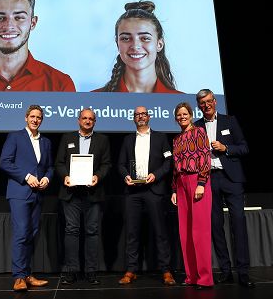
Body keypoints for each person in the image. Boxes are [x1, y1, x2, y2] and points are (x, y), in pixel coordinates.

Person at [194, 89, 255, 288]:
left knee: (238, 224)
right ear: (199, 106)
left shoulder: (230, 121)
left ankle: (243, 272)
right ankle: (225, 271)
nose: (207, 105)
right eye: (202, 103)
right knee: (215, 227)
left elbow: (244, 147)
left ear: (215, 102)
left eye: (209, 101)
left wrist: (226, 148)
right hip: (209, 180)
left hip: (232, 180)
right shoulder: (196, 127)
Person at [117, 106, 176, 285]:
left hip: (154, 190)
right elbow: (120, 164)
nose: (141, 117)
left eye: (143, 114)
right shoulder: (127, 140)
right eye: (137, 114)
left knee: (160, 231)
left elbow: (168, 161)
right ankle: (131, 270)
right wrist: (125, 175)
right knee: (132, 233)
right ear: (133, 118)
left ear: (149, 117)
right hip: (133, 192)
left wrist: (156, 175)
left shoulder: (161, 137)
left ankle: (166, 270)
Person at [0, 104, 54, 291]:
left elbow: (50, 167)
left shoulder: (46, 142)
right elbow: (4, 162)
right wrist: (26, 176)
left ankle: (28, 274)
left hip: (38, 195)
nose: (35, 120)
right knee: (21, 233)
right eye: (32, 116)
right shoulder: (15, 136)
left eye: (39, 117)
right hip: (19, 193)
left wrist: (47, 178)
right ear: (26, 118)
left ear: (42, 120)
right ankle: (19, 277)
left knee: (32, 235)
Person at [55, 108, 111, 285]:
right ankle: (71, 271)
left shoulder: (102, 140)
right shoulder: (67, 138)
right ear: (78, 120)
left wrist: (98, 176)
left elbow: (107, 164)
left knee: (92, 232)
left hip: (92, 193)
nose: (87, 121)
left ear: (94, 122)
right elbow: (59, 163)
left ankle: (91, 272)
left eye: (91, 119)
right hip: (71, 194)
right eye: (84, 118)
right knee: (71, 231)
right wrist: (65, 176)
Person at [92, 0, 182, 93]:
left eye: (145, 38)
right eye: (126, 38)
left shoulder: (184, 104)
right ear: (117, 44)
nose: (135, 46)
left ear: (159, 44)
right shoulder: (93, 100)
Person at [171, 102, 214, 290]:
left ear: (190, 114)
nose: (182, 117)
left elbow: (205, 157)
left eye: (185, 114)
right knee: (185, 232)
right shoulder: (177, 139)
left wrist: (202, 183)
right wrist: (174, 189)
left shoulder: (199, 132)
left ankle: (205, 278)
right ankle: (192, 276)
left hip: (197, 181)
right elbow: (175, 167)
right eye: (179, 115)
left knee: (200, 231)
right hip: (181, 184)